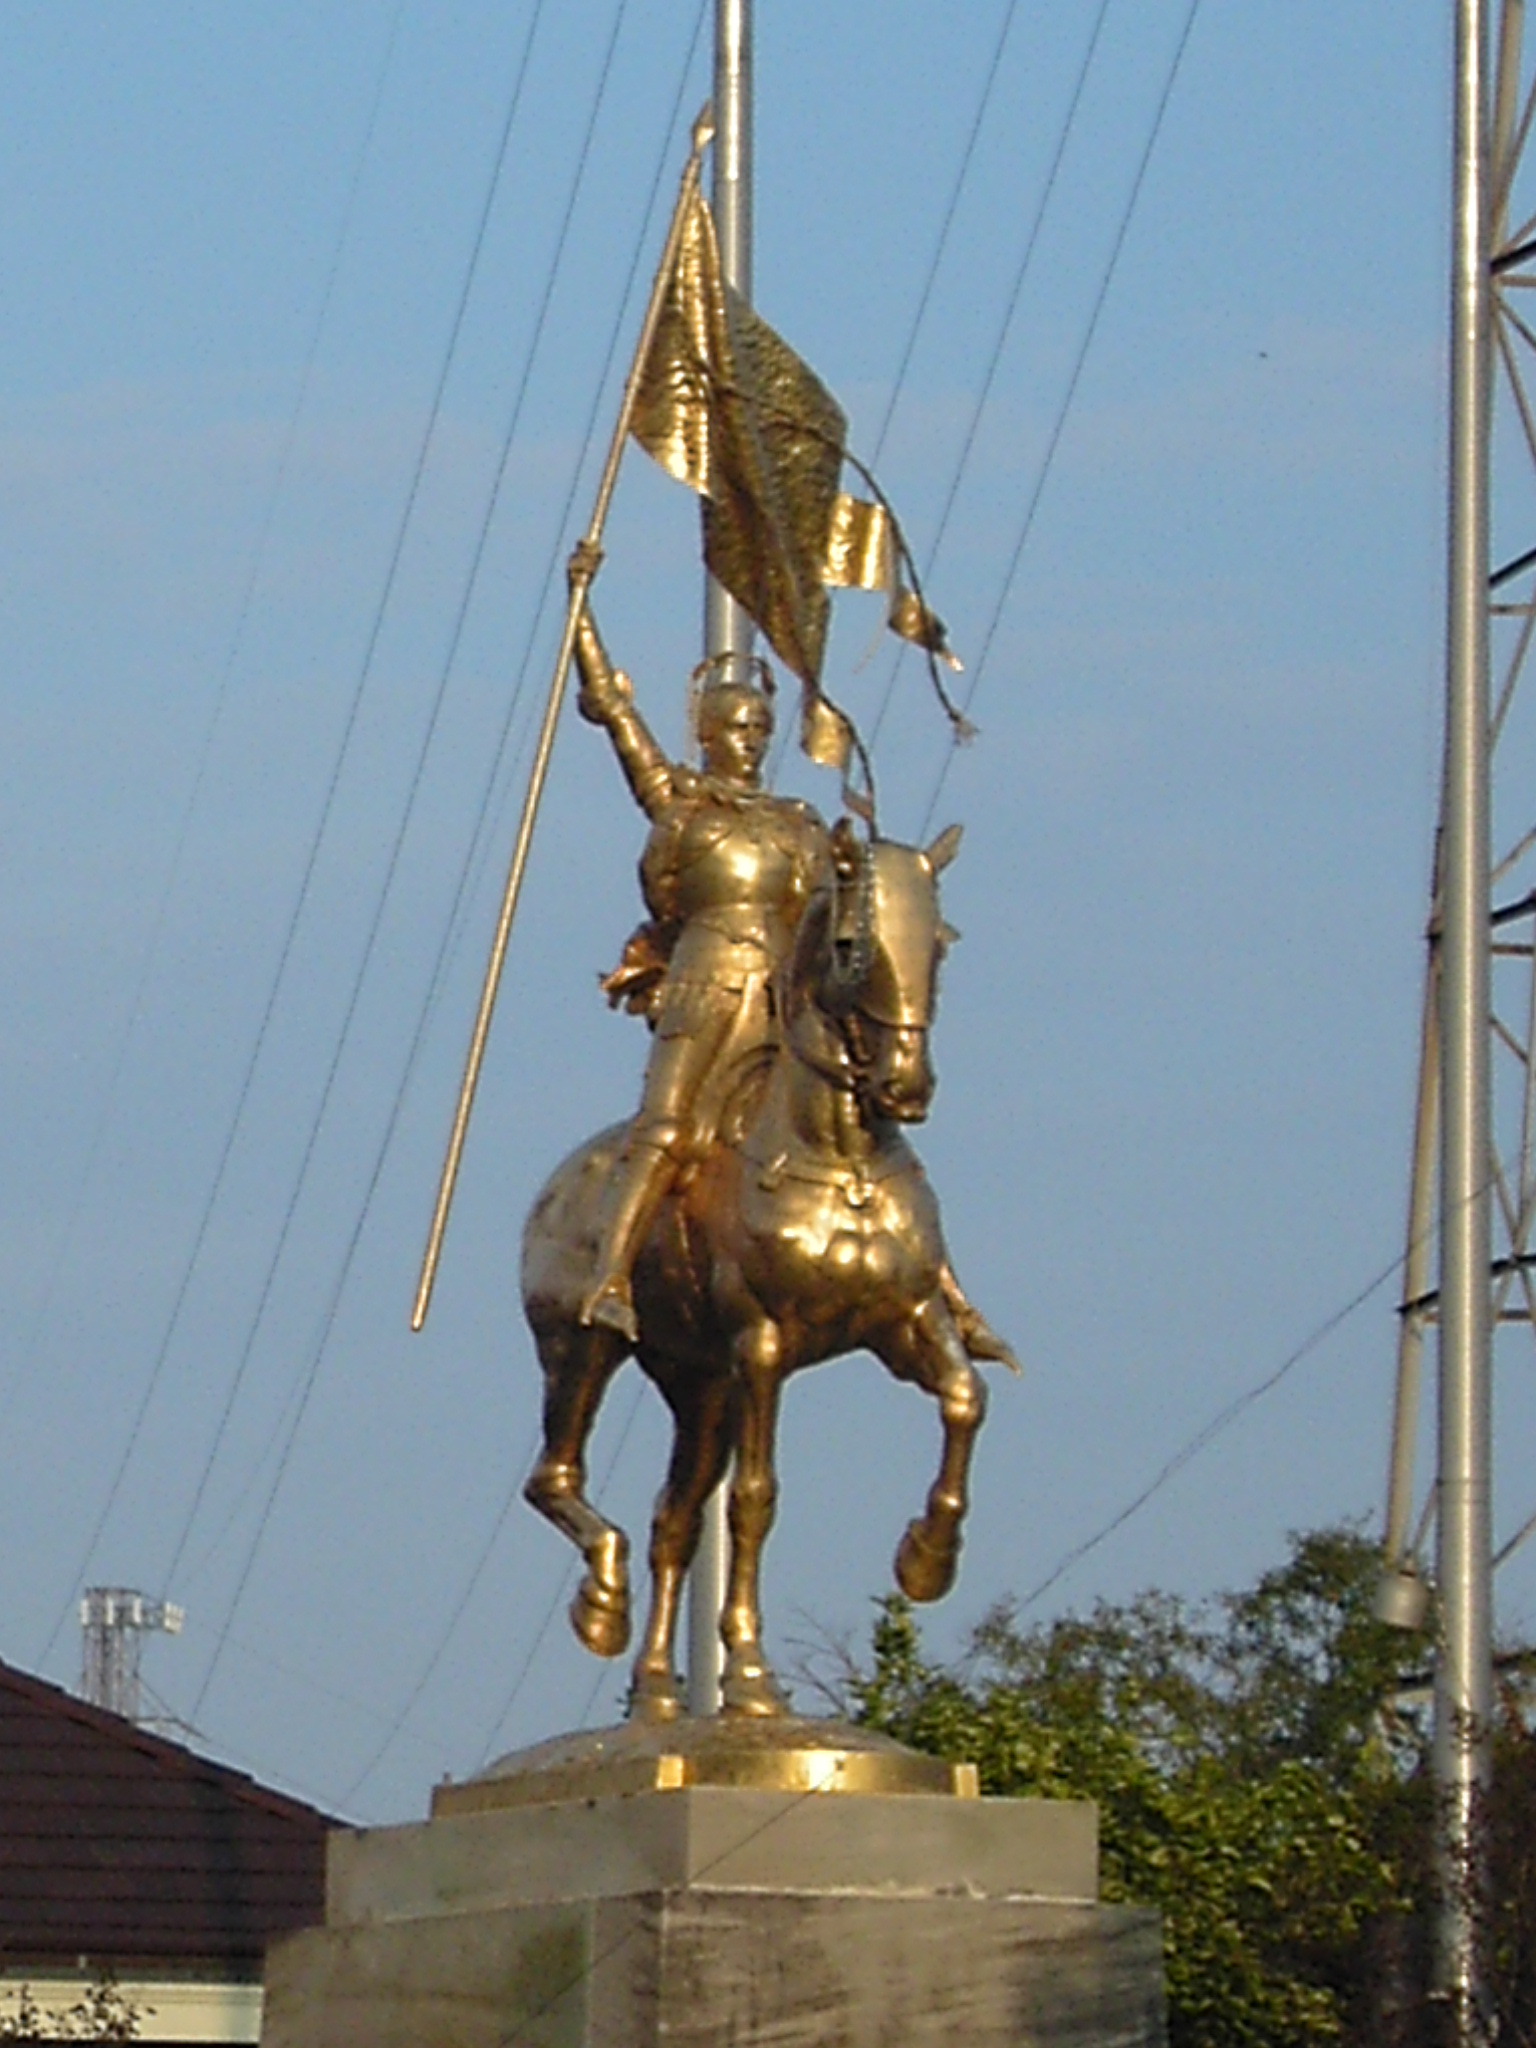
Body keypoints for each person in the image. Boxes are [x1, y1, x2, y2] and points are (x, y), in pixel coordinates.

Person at [568, 544, 831, 1342]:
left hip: (783, 986)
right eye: (734, 726)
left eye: (758, 726)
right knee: (670, 1122)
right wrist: (581, 607)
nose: (748, 739)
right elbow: (614, 713)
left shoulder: (796, 823)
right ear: (707, 732)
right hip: (707, 976)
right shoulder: (685, 805)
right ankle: (610, 1272)